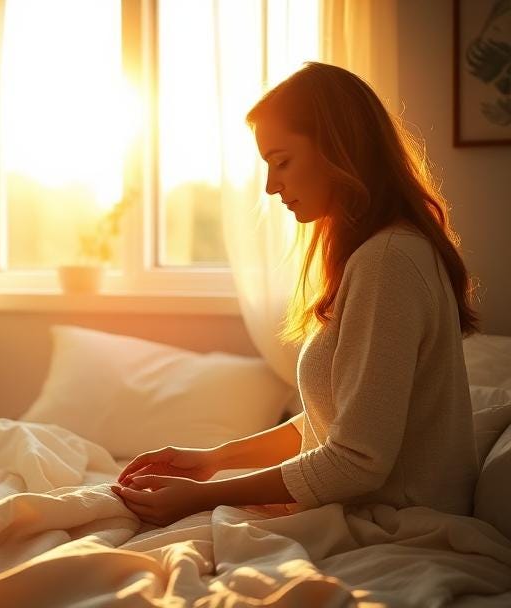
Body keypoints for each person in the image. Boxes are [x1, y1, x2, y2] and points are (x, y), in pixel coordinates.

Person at [113, 62, 481, 527]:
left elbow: (356, 460)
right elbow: (340, 421)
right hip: (376, 514)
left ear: (339, 149)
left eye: (282, 160)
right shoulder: (382, 254)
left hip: (395, 525)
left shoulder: (388, 262)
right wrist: (216, 458)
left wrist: (202, 497)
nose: (271, 186)